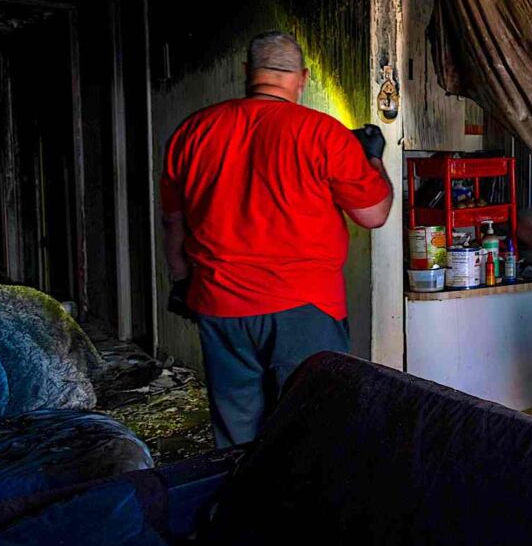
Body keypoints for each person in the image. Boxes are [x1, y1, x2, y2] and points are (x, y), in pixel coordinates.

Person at [160, 31, 393, 447]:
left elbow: (173, 222)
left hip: (220, 305)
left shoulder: (192, 131)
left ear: (247, 72)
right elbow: (374, 214)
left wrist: (182, 282)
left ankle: (243, 489)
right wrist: (372, 157)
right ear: (302, 78)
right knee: (313, 430)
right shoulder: (323, 133)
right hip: (305, 306)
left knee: (236, 434)